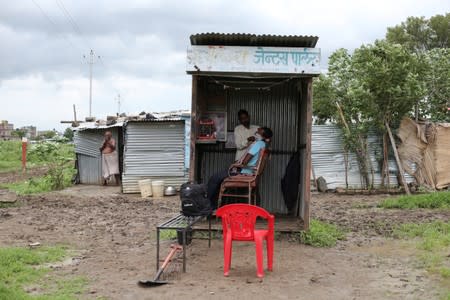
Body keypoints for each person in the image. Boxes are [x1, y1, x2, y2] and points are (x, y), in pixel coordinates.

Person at [207, 127, 273, 209]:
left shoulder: (257, 144)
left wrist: (236, 164)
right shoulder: (265, 145)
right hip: (252, 172)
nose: (256, 133)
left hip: (243, 172)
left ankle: (209, 206)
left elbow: (245, 162)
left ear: (262, 136)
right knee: (219, 179)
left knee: (214, 179)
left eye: (258, 133)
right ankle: (214, 206)